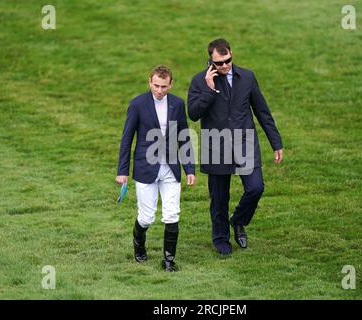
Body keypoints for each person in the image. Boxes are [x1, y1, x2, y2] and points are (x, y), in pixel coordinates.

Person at [187, 38, 283, 256]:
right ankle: (221, 240)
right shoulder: (199, 82)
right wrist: (209, 90)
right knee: (219, 199)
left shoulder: (247, 77)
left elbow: (262, 111)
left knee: (256, 188)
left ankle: (238, 220)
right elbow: (193, 114)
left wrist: (275, 142)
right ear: (210, 61)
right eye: (219, 63)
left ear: (231, 54)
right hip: (216, 148)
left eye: (227, 60)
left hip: (245, 145)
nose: (224, 66)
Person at [116, 65, 196, 271]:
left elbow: (184, 137)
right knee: (147, 216)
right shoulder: (137, 104)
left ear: (171, 84)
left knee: (172, 214)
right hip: (145, 168)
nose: (159, 90)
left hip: (170, 169)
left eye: (164, 86)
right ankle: (138, 244)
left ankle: (169, 260)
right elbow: (127, 139)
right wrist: (122, 171)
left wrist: (189, 169)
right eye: (155, 85)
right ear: (149, 82)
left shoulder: (177, 104)